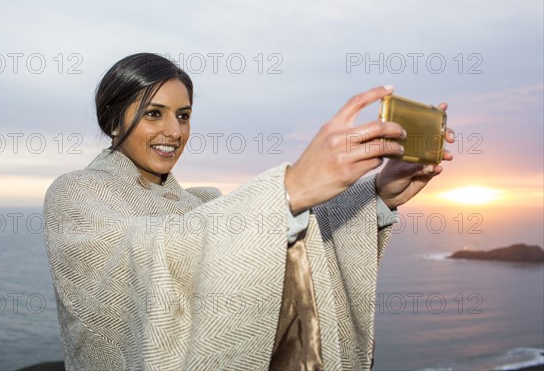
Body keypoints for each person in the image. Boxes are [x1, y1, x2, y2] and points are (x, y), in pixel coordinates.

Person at [43, 53, 455, 371]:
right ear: (114, 120)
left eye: (183, 116)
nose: (174, 131)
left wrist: (380, 194)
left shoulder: (201, 203)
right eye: (154, 113)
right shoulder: (77, 193)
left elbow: (278, 236)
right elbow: (143, 256)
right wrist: (290, 187)